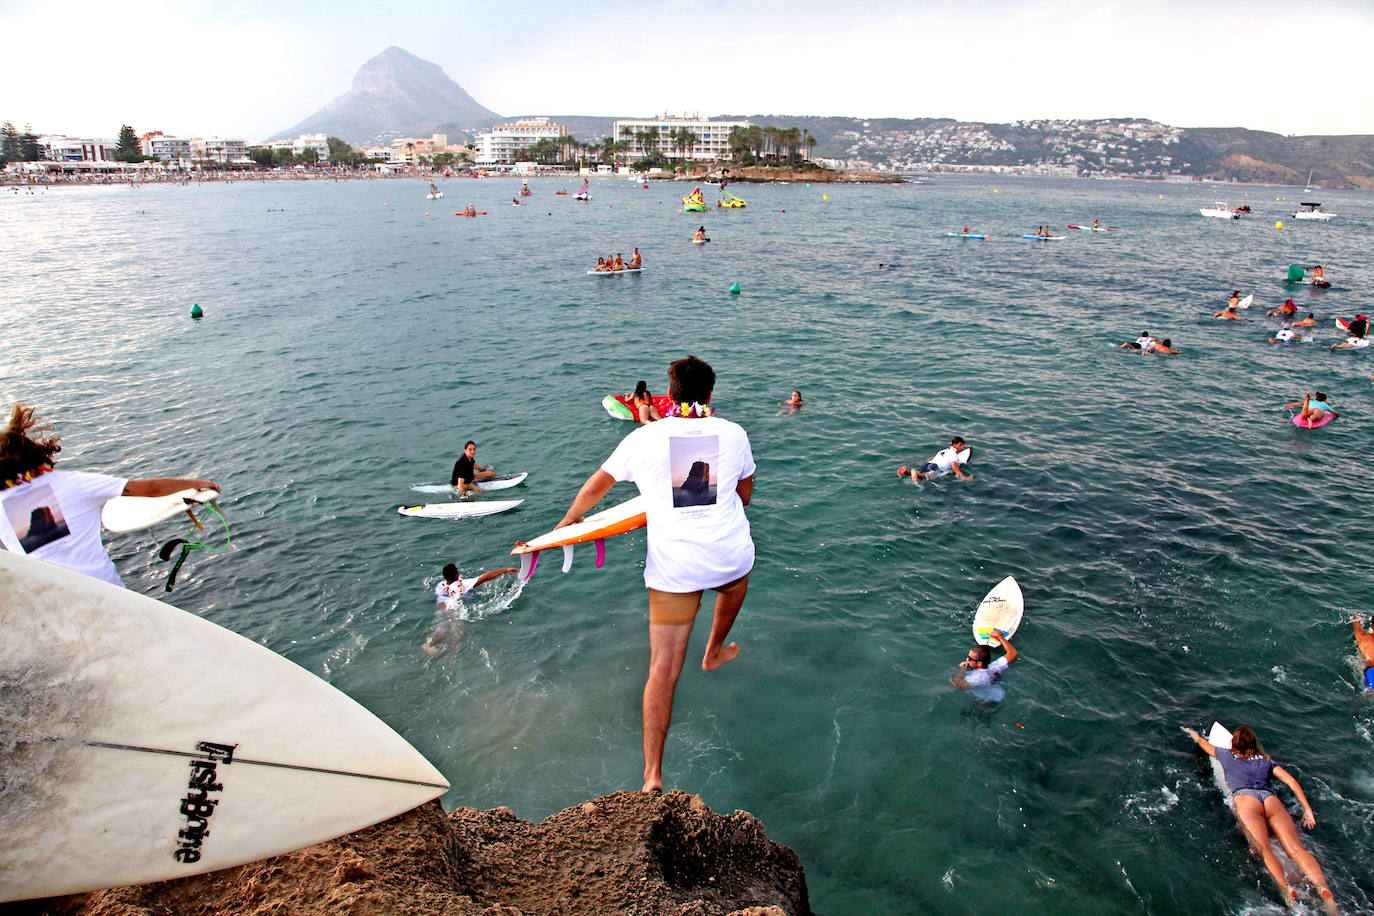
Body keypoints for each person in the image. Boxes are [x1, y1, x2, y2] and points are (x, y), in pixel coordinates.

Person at [553, 355, 755, 793]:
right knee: (736, 579)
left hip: (674, 571)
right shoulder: (734, 433)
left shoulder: (644, 438)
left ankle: (651, 777)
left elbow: (597, 486)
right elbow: (746, 495)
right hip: (727, 556)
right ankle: (714, 648)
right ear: (710, 395)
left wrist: (570, 520)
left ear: (671, 394)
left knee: (662, 670)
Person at [0, 403, 219, 587]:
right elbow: (149, 488)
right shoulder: (73, 482)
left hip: (48, 598)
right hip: (104, 591)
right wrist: (196, 483)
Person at [1181, 725, 1339, 914]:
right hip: (1270, 799)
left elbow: (1203, 743)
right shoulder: (1265, 761)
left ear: (1234, 745)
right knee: (1297, 849)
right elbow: (1292, 782)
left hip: (1247, 800)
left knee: (1264, 849)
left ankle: (1286, 890)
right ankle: (1324, 890)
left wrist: (1192, 734)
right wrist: (1307, 810)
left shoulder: (1226, 755)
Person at [422, 562, 520, 656]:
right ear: (456, 575)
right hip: (456, 608)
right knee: (460, 634)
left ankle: (429, 645)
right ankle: (452, 654)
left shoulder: (443, 586)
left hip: (447, 607)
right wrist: (505, 570)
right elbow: (485, 577)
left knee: (444, 626)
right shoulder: (464, 584)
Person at [951, 631, 1018, 702]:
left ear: (979, 663)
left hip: (986, 702)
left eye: (970, 659)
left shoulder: (977, 678)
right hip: (997, 694)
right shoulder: (995, 666)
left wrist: (962, 669)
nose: (967, 659)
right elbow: (1013, 653)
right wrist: (999, 636)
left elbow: (957, 685)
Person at [897, 436, 972, 481]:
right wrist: (965, 477)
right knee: (926, 477)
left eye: (963, 445)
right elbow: (955, 468)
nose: (962, 447)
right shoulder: (954, 455)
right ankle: (914, 472)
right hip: (936, 467)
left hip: (928, 464)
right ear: (955, 445)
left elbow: (931, 458)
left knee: (920, 475)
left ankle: (906, 471)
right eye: (960, 445)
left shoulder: (944, 451)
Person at [1352, 617, 1374, 691]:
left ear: (1372, 626)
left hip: (1371, 671)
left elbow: (1357, 628)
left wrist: (1356, 619)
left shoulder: (1364, 638)